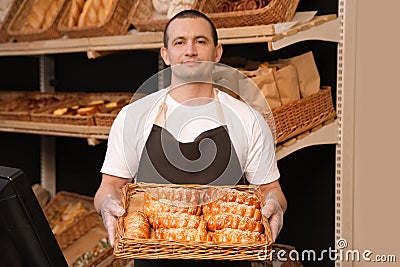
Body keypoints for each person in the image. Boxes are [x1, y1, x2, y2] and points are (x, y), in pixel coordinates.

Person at [94, 9, 287, 266]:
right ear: (165, 54)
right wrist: (107, 205)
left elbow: (270, 190)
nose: (190, 50)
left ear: (217, 52)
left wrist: (277, 207)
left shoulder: (247, 117)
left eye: (200, 41)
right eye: (179, 42)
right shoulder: (134, 115)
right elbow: (111, 186)